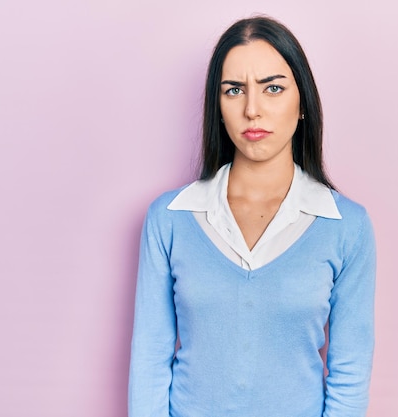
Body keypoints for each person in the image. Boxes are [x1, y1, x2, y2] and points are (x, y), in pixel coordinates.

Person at [129, 16, 376, 417]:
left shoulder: (347, 227)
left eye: (273, 88)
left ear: (302, 105)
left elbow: (349, 374)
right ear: (218, 106)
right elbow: (150, 363)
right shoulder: (169, 219)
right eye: (234, 90)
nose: (252, 109)